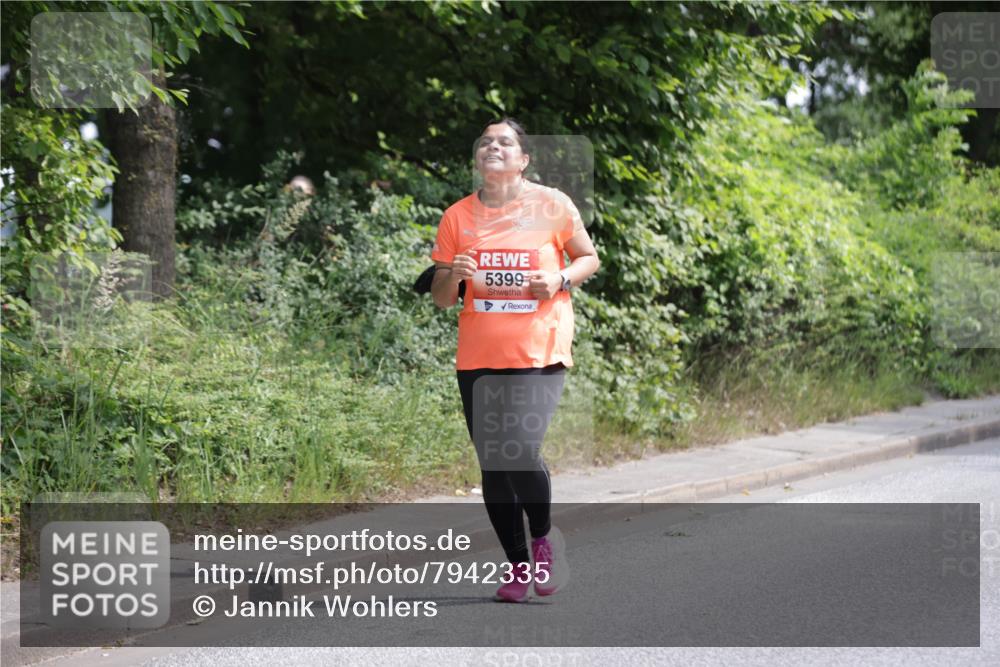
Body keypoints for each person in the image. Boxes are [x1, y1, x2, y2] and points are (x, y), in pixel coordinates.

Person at [430, 118, 600, 602]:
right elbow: (443, 299)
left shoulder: (552, 204)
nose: (493, 146)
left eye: (505, 141)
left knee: (520, 448)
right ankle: (518, 566)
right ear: (477, 158)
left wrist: (562, 279)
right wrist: (453, 275)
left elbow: (589, 257)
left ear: (523, 159)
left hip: (539, 346)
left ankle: (545, 538)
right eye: (485, 141)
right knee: (493, 464)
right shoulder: (457, 217)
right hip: (480, 352)